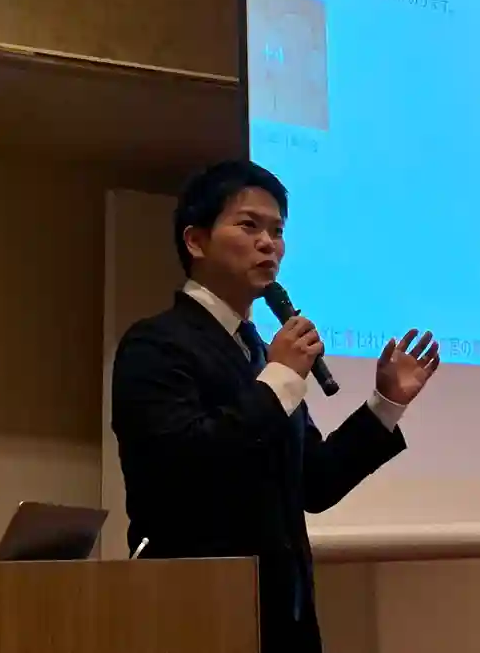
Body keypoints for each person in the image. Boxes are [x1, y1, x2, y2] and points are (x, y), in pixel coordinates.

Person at [111, 160, 441, 653]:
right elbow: (186, 463)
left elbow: (314, 482)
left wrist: (385, 404)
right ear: (196, 241)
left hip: (286, 617)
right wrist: (281, 379)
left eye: (278, 231)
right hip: (197, 612)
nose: (269, 243)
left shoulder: (261, 354)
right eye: (249, 225)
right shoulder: (156, 344)